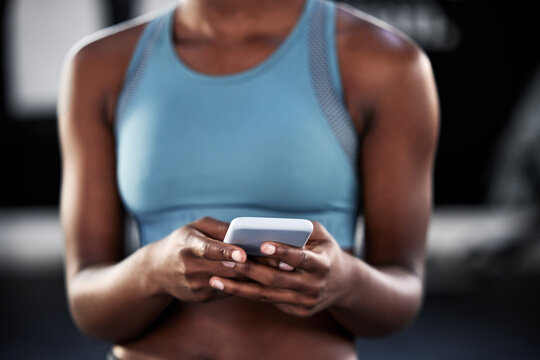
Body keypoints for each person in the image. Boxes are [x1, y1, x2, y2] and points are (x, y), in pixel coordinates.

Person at [57, 0, 439, 358]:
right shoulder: (99, 65)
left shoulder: (384, 62)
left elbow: (400, 294)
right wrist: (152, 271)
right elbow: (87, 306)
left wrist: (345, 283)